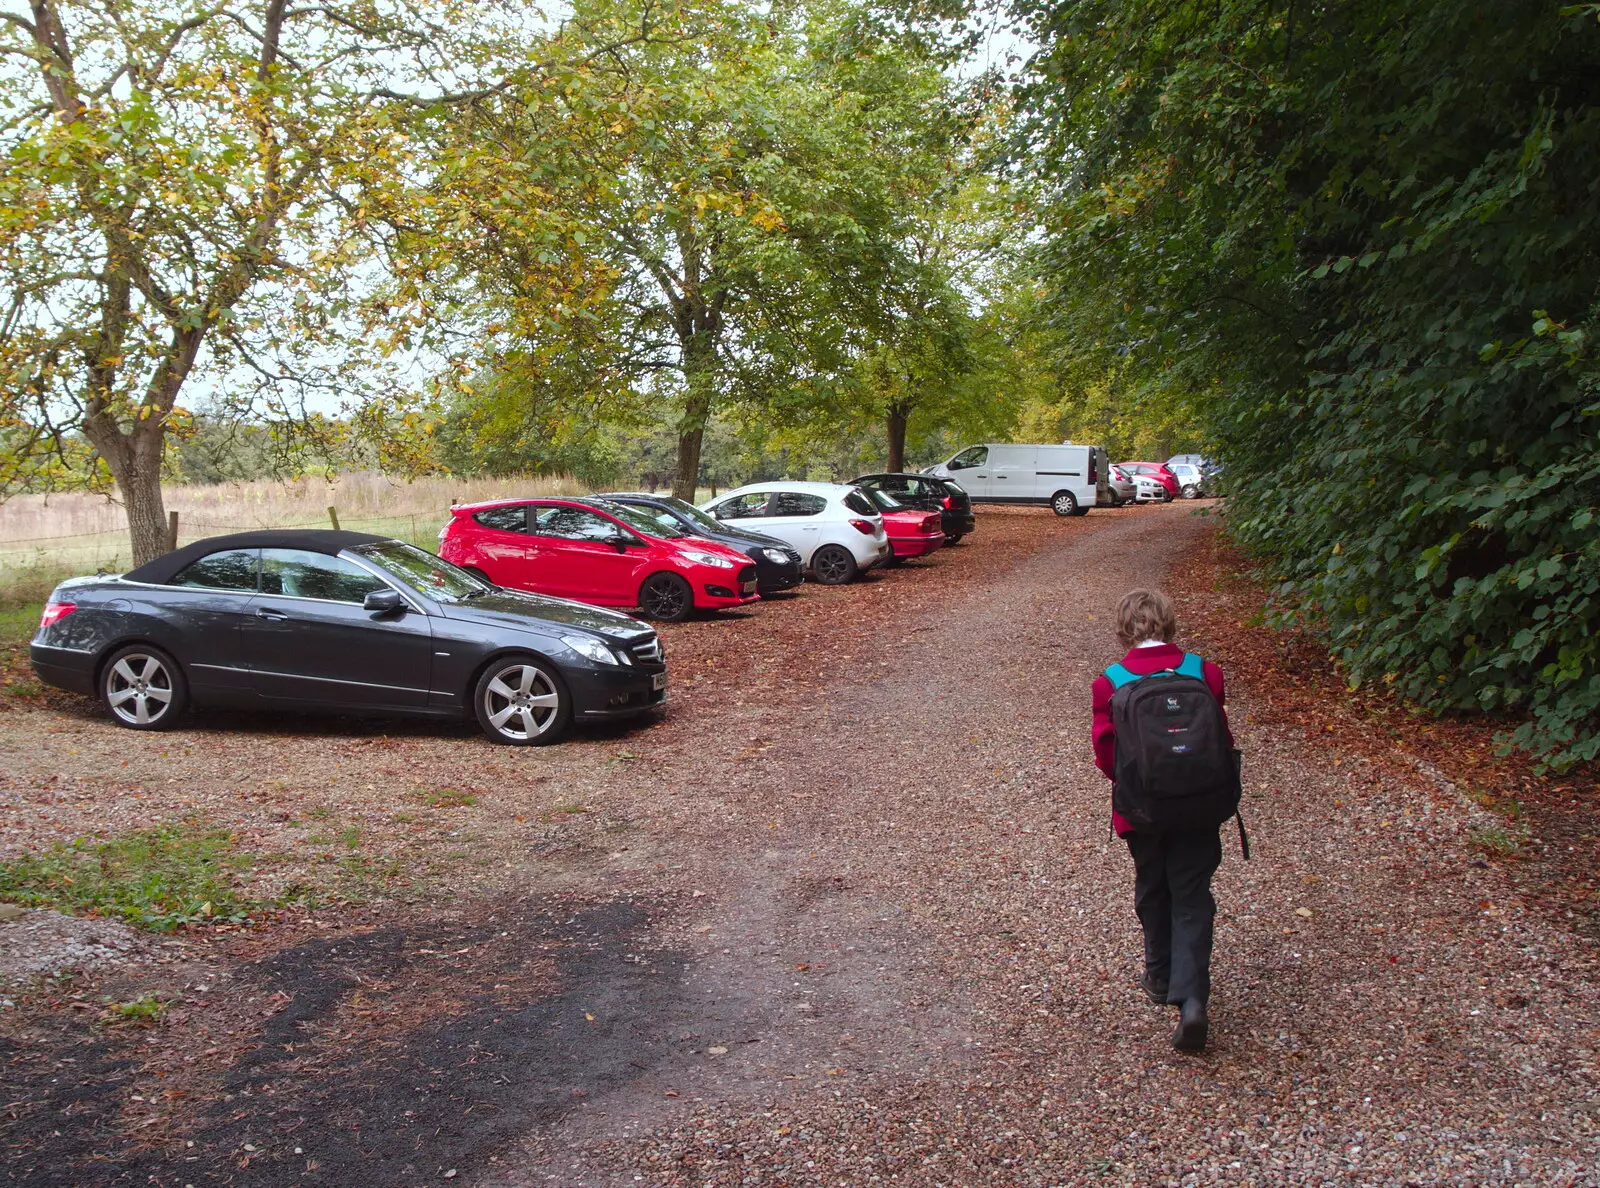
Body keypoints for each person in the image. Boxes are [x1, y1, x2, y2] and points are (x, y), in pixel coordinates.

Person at [1091, 588, 1234, 1052]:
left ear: (1123, 627)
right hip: (1199, 805)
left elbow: (1105, 755)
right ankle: (1192, 998)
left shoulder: (1109, 682)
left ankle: (1158, 974)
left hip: (1143, 811)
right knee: (1191, 893)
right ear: (1170, 622)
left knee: (1153, 887)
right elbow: (1221, 738)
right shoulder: (1204, 672)